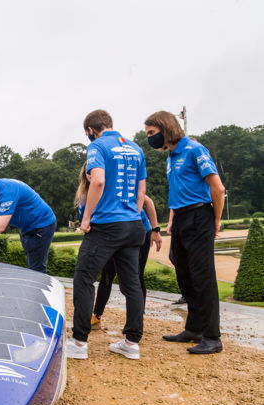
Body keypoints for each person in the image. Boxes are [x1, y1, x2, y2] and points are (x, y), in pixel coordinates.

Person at [66, 109, 147, 361]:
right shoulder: (136, 148)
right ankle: (132, 342)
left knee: (84, 278)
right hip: (133, 223)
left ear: (90, 130)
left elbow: (98, 181)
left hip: (106, 224)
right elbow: (142, 188)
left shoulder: (97, 147)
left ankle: (79, 342)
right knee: (131, 284)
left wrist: (87, 217)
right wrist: (134, 212)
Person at [145, 111, 226, 354]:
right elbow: (178, 191)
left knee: (203, 277)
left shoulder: (194, 150)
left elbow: (217, 188)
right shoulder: (171, 156)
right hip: (180, 217)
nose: (150, 138)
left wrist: (216, 221)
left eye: (152, 133)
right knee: (182, 269)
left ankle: (212, 337)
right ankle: (194, 329)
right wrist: (172, 219)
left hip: (200, 216)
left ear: (165, 128)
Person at [74, 165, 163, 329]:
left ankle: (137, 319)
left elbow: (148, 203)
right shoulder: (85, 196)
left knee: (135, 276)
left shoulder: (117, 187)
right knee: (107, 275)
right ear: (85, 175)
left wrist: (155, 230)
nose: (91, 175)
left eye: (94, 172)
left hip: (137, 231)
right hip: (109, 235)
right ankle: (97, 315)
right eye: (88, 172)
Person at [0, 168, 57, 273]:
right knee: (32, 261)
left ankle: (39, 288)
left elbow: (0, 227)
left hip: (42, 225)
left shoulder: (8, 191)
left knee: (37, 268)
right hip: (26, 227)